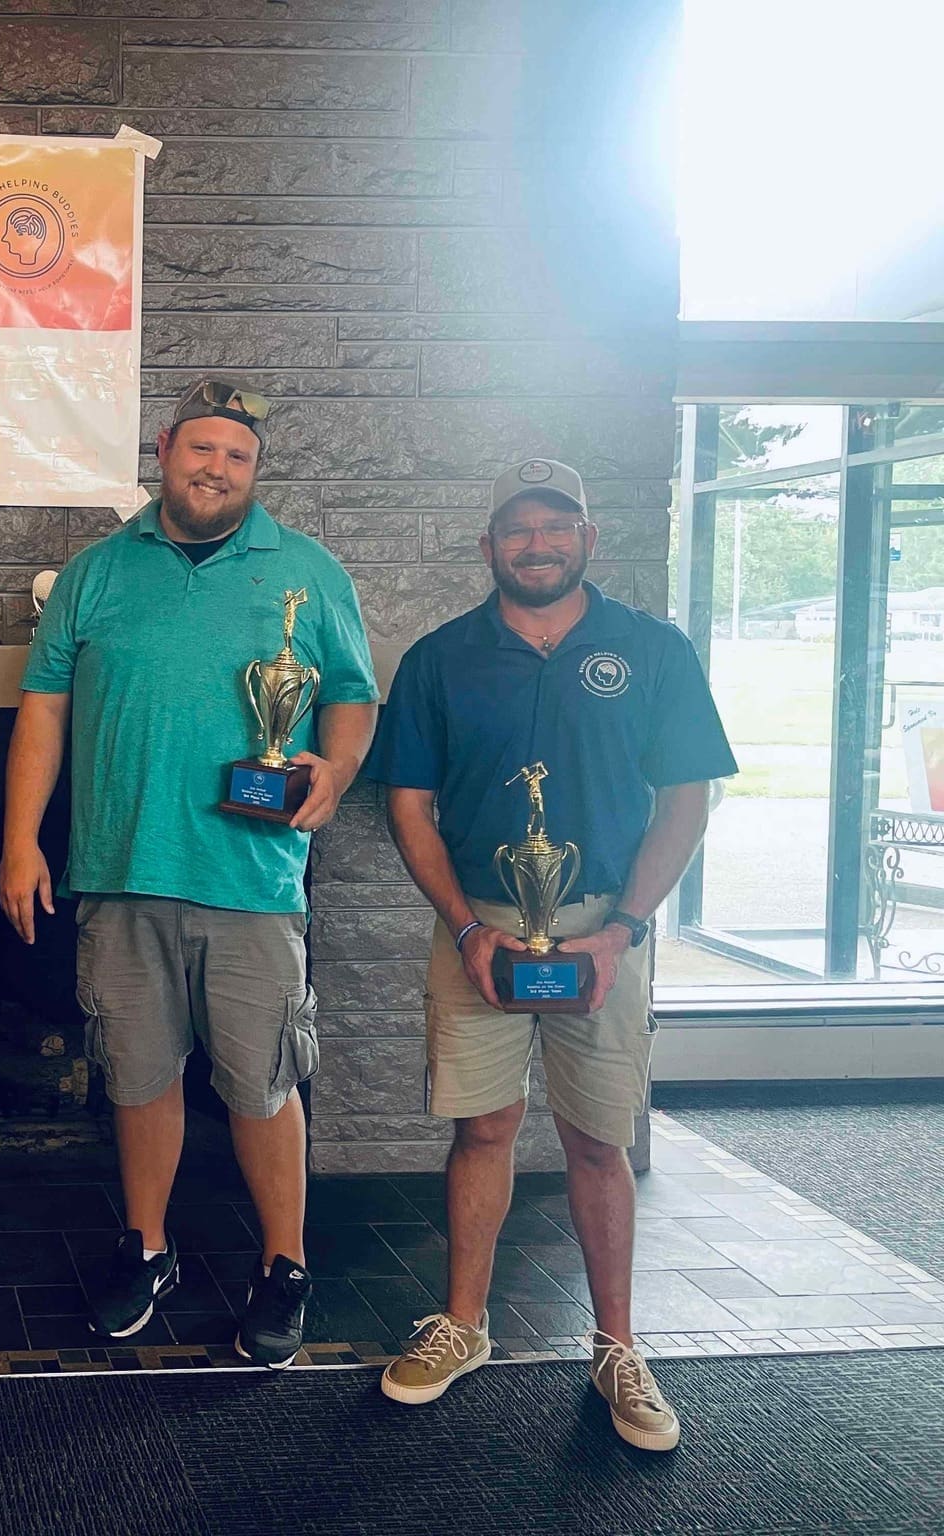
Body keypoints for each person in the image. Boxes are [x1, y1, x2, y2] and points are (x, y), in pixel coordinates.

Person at [0, 378, 379, 1364]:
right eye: (198, 450)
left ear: (255, 470)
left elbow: (348, 692)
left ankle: (282, 1265)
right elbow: (41, 705)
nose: (214, 469)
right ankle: (148, 1247)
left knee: (259, 1083)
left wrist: (333, 771)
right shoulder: (95, 571)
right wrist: (17, 838)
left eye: (236, 457)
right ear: (163, 451)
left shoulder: (304, 568)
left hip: (250, 878)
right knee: (135, 1076)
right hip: (118, 872)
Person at [364, 457, 736, 1452]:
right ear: (488, 547)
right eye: (518, 529)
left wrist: (622, 930)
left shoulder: (651, 651)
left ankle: (614, 1345)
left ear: (587, 539)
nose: (537, 543)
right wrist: (466, 925)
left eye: (555, 526)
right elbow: (406, 804)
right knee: (481, 1132)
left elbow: (685, 800)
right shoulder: (439, 659)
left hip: (601, 929)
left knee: (595, 1142)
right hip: (479, 926)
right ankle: (462, 1324)